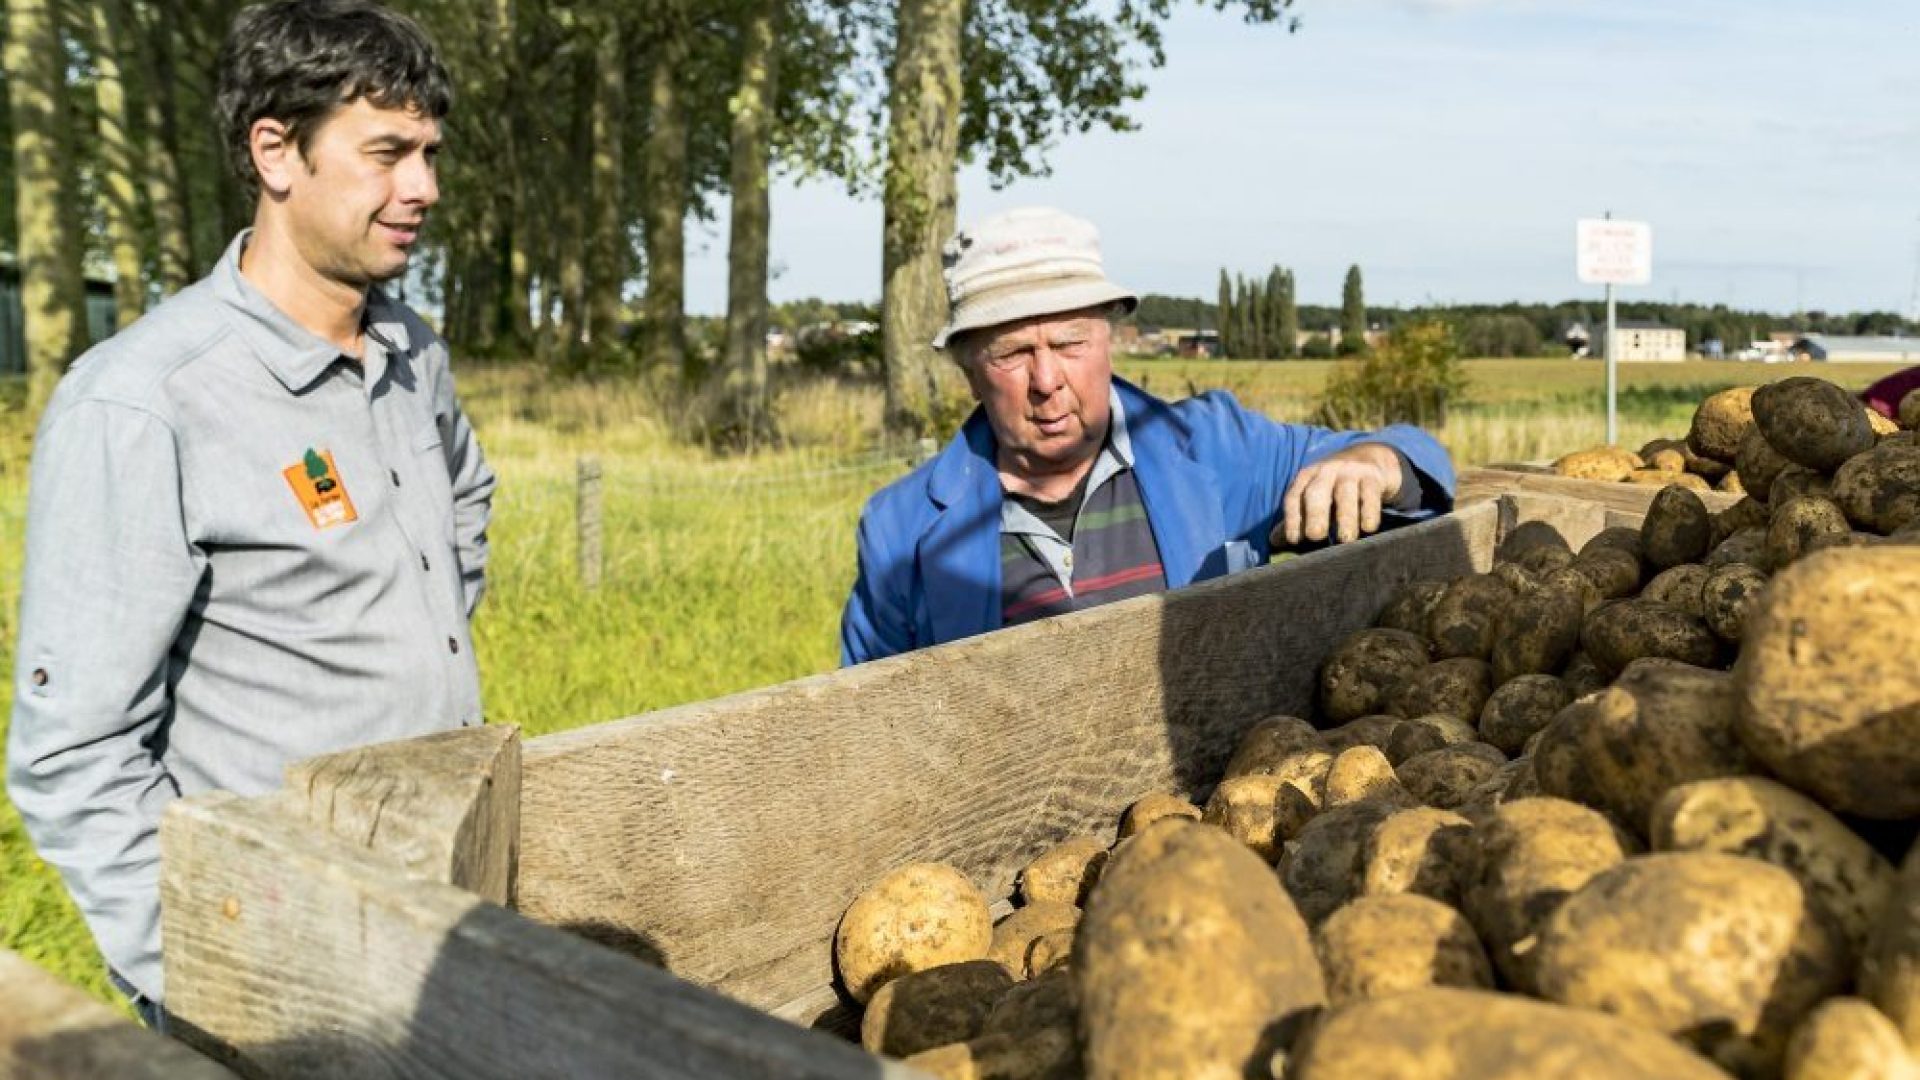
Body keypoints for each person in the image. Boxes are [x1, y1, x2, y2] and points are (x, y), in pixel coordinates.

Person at [6, 0, 493, 1025]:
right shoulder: (143, 401)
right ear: (277, 152)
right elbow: (73, 758)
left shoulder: (414, 354)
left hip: (439, 932)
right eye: (389, 153)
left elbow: (464, 500)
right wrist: (217, 971)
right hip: (273, 979)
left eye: (431, 153)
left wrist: (402, 634)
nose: (425, 188)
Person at [841, 206, 1454, 666]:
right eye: (1013, 355)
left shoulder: (1215, 447)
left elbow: (1411, 462)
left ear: (1111, 340)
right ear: (969, 371)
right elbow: (864, 720)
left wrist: (1373, 463)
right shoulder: (901, 531)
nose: (1047, 380)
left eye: (1070, 344)